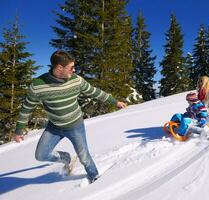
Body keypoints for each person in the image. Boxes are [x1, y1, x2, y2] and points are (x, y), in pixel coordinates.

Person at [14, 50, 127, 184]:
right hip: (54, 127)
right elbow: (27, 108)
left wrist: (115, 102)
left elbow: (95, 92)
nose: (74, 70)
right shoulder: (38, 85)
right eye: (71, 67)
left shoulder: (76, 80)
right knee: (41, 155)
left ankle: (95, 179)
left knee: (84, 157)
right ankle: (66, 158)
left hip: (75, 126)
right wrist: (19, 130)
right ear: (59, 67)